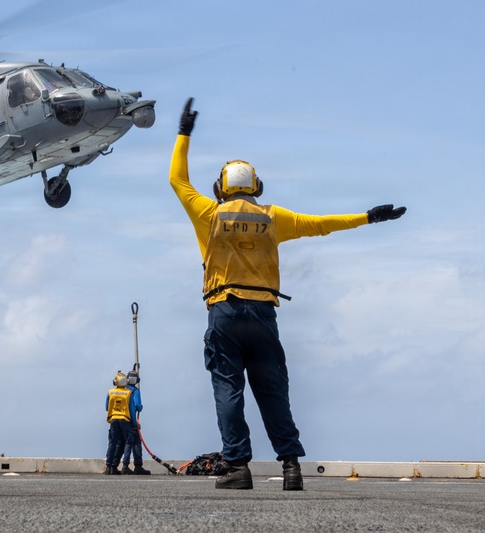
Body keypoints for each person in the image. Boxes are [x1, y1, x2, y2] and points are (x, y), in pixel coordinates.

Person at [168, 98, 406, 491]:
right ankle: (291, 467)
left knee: (228, 388)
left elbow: (178, 180)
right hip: (264, 314)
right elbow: (323, 224)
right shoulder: (273, 219)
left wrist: (184, 133)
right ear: (256, 187)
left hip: (224, 312)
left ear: (220, 188)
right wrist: (369, 217)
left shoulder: (208, 215)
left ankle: (237, 468)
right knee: (273, 390)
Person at [104, 371, 136, 475]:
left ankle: (109, 467)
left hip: (113, 420)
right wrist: (135, 423)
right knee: (128, 441)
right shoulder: (128, 393)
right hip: (125, 420)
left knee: (113, 443)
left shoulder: (110, 392)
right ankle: (125, 466)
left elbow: (106, 407)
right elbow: (131, 410)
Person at [120, 370, 152, 475]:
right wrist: (140, 408)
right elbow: (137, 406)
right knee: (135, 443)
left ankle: (122, 465)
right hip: (131, 420)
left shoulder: (123, 390)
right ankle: (137, 466)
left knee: (123, 443)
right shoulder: (135, 391)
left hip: (121, 419)